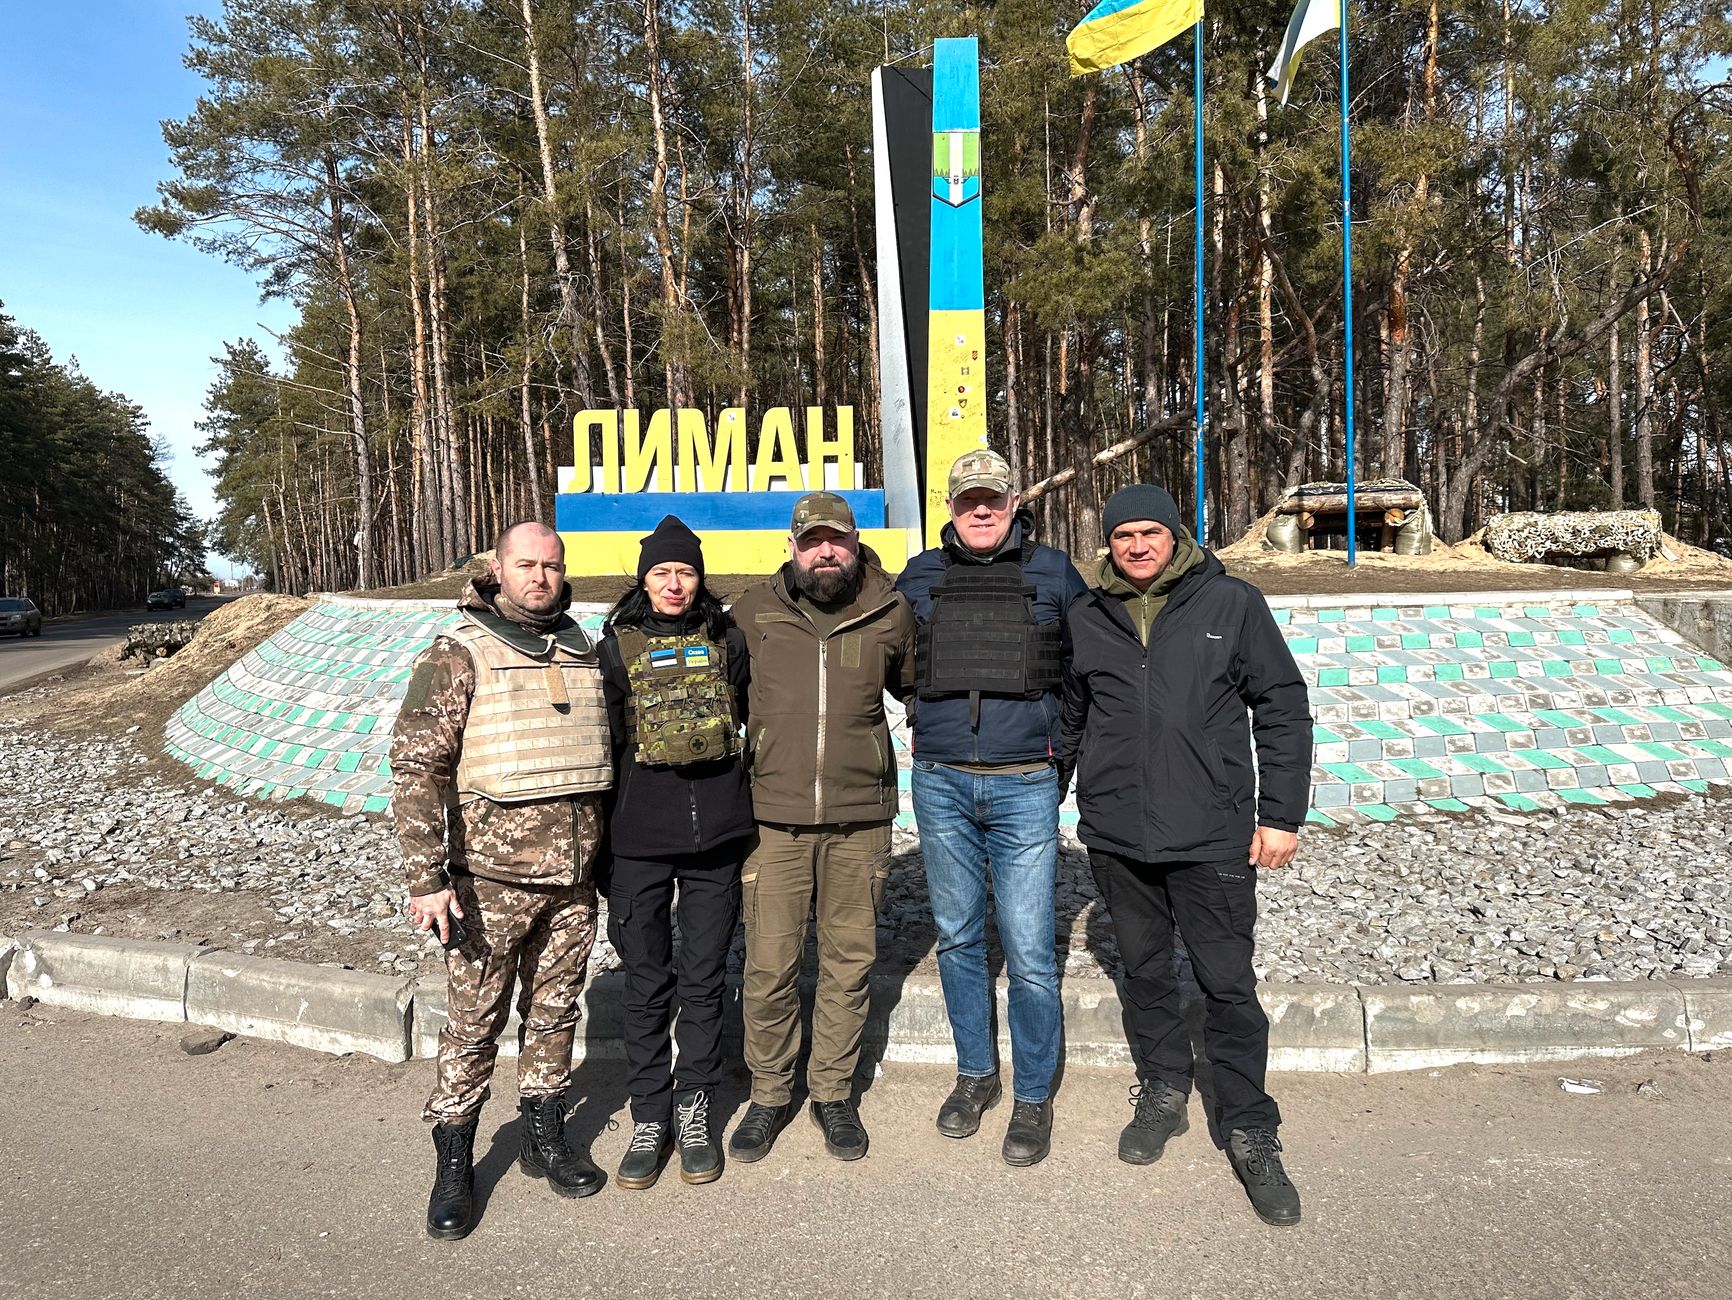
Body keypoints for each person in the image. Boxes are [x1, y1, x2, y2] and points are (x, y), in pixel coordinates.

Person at [1058, 483, 1313, 1228]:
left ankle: (1250, 1126)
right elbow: (1072, 719)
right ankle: (1165, 1088)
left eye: (1151, 533)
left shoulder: (1231, 603)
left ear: (1177, 536)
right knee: (1142, 971)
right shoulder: (1086, 614)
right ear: (1108, 543)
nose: (1136, 546)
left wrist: (1281, 815)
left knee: (1227, 984)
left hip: (1212, 833)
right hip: (1118, 834)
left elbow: (1283, 707)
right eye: (1123, 536)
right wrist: (1048, 797)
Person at [391, 521, 612, 1240]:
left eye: (551, 564)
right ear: (497, 568)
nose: (541, 577)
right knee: (474, 1027)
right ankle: (455, 1159)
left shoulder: (581, 646)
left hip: (573, 883)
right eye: (527, 564)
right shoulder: (459, 649)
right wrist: (427, 877)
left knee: (555, 1015)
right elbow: (417, 766)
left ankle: (546, 1136)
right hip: (488, 884)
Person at [893, 449, 1087, 1168]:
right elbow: (893, 657)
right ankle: (976, 1075)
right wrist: (924, 716)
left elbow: (1081, 671)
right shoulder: (919, 575)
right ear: (951, 506)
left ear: (1013, 503)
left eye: (994, 499)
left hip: (1024, 783)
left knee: (1032, 951)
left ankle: (1032, 1095)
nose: (982, 510)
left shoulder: (1054, 572)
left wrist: (1056, 759)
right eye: (970, 499)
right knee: (959, 937)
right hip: (941, 782)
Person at [725, 491, 917, 1163]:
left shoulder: (891, 611)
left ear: (856, 541)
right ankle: (770, 1093)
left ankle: (833, 1091)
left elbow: (920, 687)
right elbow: (710, 691)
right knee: (771, 965)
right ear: (793, 546)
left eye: (836, 539)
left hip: (861, 819)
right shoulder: (754, 613)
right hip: (772, 820)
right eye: (813, 541)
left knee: (848, 963)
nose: (826, 552)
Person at [596, 516, 754, 1190]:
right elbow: (601, 749)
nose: (673, 583)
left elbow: (747, 716)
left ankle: (694, 1107)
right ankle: (650, 1114)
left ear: (699, 578)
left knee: (704, 978)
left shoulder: (729, 640)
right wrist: (600, 845)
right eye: (661, 572)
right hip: (638, 840)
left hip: (717, 837)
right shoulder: (615, 648)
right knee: (646, 982)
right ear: (644, 579)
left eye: (684, 571)